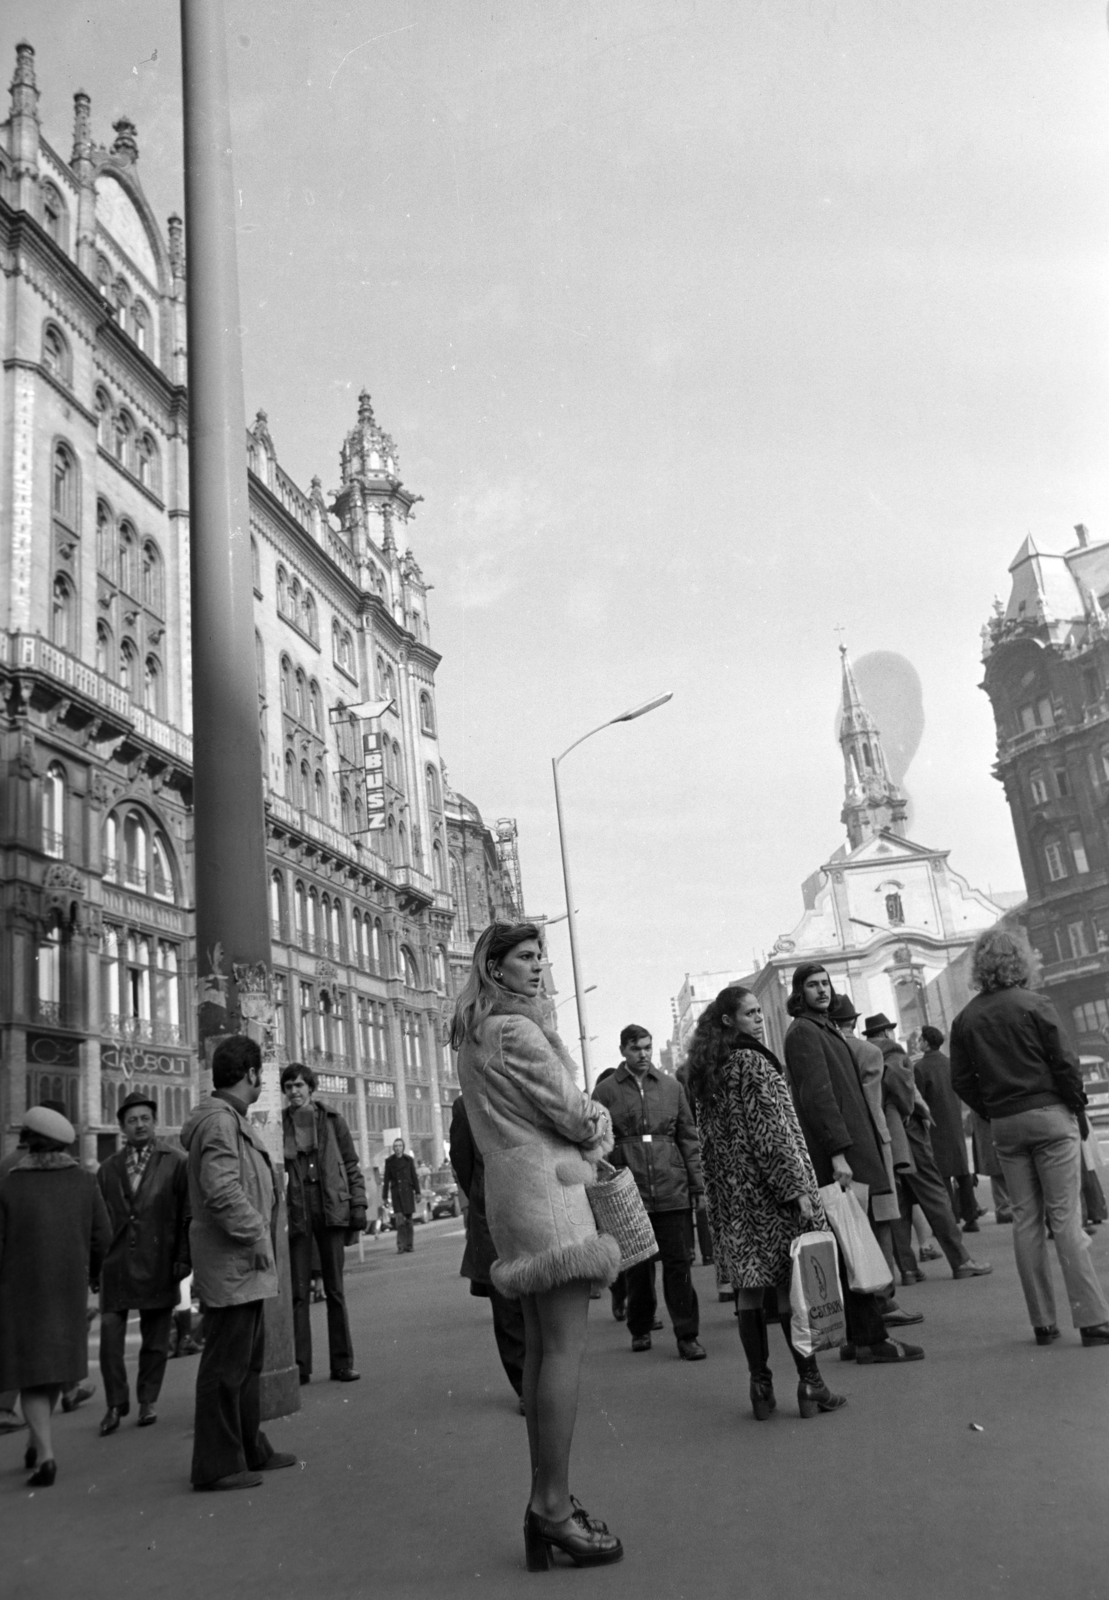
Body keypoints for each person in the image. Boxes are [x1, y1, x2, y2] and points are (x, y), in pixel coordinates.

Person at [452, 921, 623, 1569]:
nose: (538, 968)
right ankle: (551, 1509)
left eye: (540, 957)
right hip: (550, 1198)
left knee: (538, 1352)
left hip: (513, 1198)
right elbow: (574, 1113)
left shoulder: (475, 1034)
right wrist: (599, 1122)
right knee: (562, 1353)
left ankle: (545, 1503)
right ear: (494, 967)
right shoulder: (515, 1031)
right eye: (525, 957)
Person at [685, 986, 846, 1419]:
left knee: (749, 1292)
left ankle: (760, 1386)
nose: (759, 1019)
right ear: (728, 1020)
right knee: (790, 1287)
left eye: (760, 1012)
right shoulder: (753, 1062)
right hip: (770, 1197)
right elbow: (771, 1133)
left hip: (733, 1201)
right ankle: (811, 1383)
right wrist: (797, 1190)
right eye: (750, 1013)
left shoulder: (707, 1069)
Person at [950, 928, 1109, 1347]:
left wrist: (992, 1109)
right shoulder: (1036, 1004)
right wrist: (1074, 1106)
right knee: (1065, 1218)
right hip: (1050, 1116)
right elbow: (1066, 1064)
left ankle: (1043, 1322)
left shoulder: (965, 1019)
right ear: (1020, 961)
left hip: (1005, 1123)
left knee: (1026, 1220)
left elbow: (961, 1080)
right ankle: (1092, 1320)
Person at [782, 963, 924, 1365]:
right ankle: (871, 1340)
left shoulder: (821, 1028)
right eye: (813, 985)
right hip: (841, 1156)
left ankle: (859, 1337)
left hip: (851, 1149)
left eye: (825, 984)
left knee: (851, 1245)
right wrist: (838, 1153)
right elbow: (818, 1097)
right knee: (854, 1244)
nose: (822, 990)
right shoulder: (805, 1032)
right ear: (800, 993)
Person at [180, 1035, 298, 1491]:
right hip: (233, 1263)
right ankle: (218, 1465)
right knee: (226, 1368)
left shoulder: (228, 1119)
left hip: (241, 1266)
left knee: (245, 1364)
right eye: (261, 1072)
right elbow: (222, 1190)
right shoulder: (219, 1123)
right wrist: (256, 1234)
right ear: (250, 1073)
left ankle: (248, 1449)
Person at [0, 1106, 111, 1487]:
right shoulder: (84, 1182)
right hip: (68, 1291)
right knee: (52, 1371)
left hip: (19, 1293)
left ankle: (45, 1455)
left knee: (31, 1374)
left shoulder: (9, 1185)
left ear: (29, 1143)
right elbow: (103, 1238)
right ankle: (37, 1440)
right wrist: (93, 1276)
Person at [592, 1025, 707, 1361]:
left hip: (672, 1189)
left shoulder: (672, 1087)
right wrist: (602, 1188)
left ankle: (687, 1336)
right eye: (635, 1048)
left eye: (647, 1047)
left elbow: (688, 1138)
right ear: (622, 1051)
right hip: (630, 1194)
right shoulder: (606, 1092)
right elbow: (596, 1143)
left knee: (679, 1265)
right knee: (639, 1267)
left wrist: (697, 1186)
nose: (643, 1054)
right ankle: (640, 1328)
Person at [863, 1014, 991, 1283]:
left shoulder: (861, 1054)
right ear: (885, 1033)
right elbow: (901, 1086)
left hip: (882, 1137)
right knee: (935, 1197)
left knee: (899, 1203)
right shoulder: (891, 1052)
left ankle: (908, 1269)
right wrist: (910, 1108)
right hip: (909, 1136)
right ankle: (961, 1260)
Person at [97, 1090, 191, 1434]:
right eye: (132, 1120)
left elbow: (187, 1215)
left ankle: (147, 1400)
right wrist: (94, 1267)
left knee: (155, 1339)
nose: (140, 1125)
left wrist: (183, 1258)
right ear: (122, 1127)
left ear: (155, 1122)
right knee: (110, 1336)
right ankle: (114, 1403)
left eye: (145, 1119)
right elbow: (98, 1222)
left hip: (159, 1261)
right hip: (116, 1265)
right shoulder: (108, 1169)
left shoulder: (176, 1162)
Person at [827, 996, 922, 1328]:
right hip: (871, 1145)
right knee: (881, 1220)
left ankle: (861, 1305)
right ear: (853, 1021)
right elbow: (875, 1103)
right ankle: (884, 1298)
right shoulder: (868, 1051)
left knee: (849, 1226)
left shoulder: (825, 1050)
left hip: (838, 1147)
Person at [281, 1062, 366, 1384]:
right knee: (299, 1293)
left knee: (335, 1290)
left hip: (329, 1205)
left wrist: (358, 1205)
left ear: (310, 1088)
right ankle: (300, 1367)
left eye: (299, 1085)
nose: (294, 1092)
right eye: (289, 1087)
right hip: (297, 1208)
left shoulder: (331, 1120)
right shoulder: (280, 1124)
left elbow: (351, 1164)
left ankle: (342, 1364)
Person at [449, 1094, 527, 1406]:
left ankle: (542, 1379)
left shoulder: (522, 1092)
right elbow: (463, 1163)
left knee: (536, 1298)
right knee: (507, 1305)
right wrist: (483, 1194)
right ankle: (524, 1386)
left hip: (532, 1207)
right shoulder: (465, 1105)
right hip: (491, 1216)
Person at [914, 1025, 981, 1230]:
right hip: (954, 1122)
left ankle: (950, 1219)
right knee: (962, 1170)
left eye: (920, 1039)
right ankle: (971, 1216)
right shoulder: (950, 1063)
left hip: (934, 1125)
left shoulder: (920, 1068)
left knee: (941, 1175)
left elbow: (918, 1100)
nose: (918, 1042)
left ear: (926, 1043)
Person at [382, 1138, 420, 1254]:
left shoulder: (409, 1160)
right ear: (393, 1148)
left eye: (400, 1146)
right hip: (397, 1195)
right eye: (396, 1146)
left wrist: (418, 1192)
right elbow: (386, 1180)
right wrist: (384, 1197)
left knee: (408, 1221)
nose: (398, 1148)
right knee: (400, 1221)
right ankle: (401, 1246)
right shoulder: (389, 1161)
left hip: (407, 1193)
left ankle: (409, 1245)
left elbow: (414, 1177)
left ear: (403, 1148)